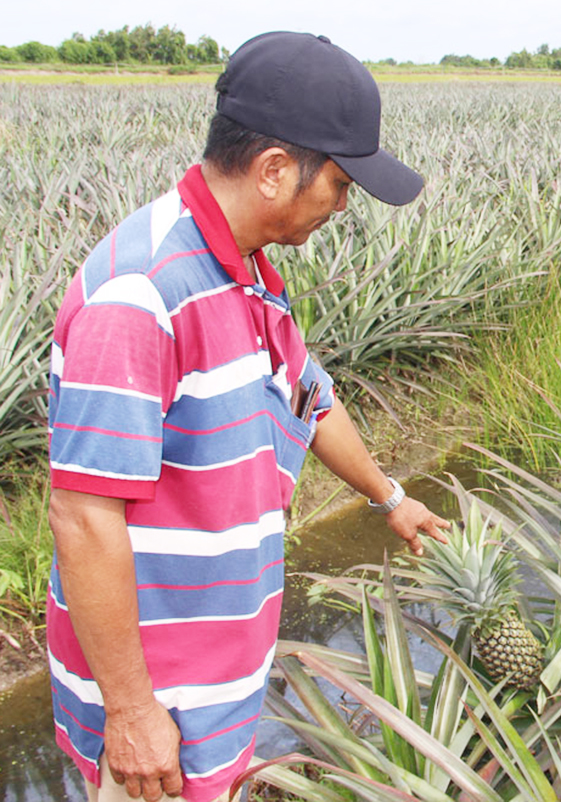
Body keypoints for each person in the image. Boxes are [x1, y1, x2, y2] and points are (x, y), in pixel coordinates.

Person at [45, 32, 449, 802]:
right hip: (155, 712)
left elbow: (308, 395)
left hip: (216, 684)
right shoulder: (142, 293)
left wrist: (391, 499)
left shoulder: (247, 271)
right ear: (273, 171)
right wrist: (131, 714)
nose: (343, 203)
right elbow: (82, 518)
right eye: (339, 182)